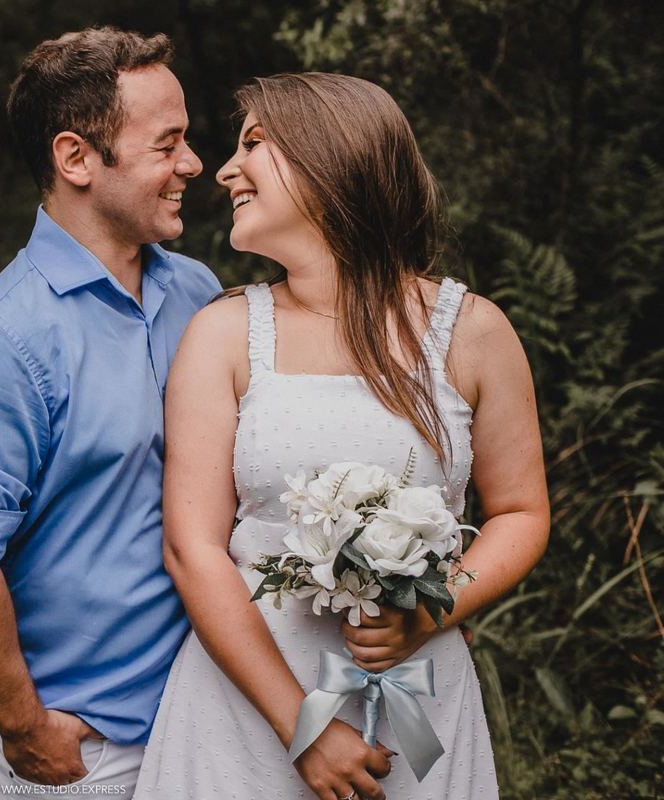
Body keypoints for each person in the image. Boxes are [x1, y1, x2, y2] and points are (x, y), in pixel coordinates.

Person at [133, 73, 550, 799]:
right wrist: (305, 728)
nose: (226, 169)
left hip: (416, 693)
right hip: (249, 704)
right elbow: (191, 548)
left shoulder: (473, 332)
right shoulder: (226, 333)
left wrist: (428, 611)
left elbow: (521, 513)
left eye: (253, 144)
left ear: (330, 158)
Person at [0, 28, 221, 798]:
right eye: (166, 144)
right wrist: (25, 728)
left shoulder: (201, 294)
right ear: (76, 158)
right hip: (87, 750)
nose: (193, 164)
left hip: (211, 718)